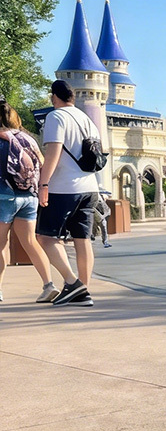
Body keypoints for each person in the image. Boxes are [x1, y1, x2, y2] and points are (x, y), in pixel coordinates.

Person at [35, 80, 101, 307]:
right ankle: (85, 291)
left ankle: (73, 284)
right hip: (90, 186)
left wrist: (43, 184)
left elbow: (53, 152)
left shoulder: (55, 117)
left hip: (64, 187)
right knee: (82, 239)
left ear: (55, 97)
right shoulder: (87, 119)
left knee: (45, 237)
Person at [0, 95, 58, 303]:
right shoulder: (28, 139)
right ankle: (48, 284)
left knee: (0, 244)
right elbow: (41, 164)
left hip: (4, 195)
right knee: (30, 241)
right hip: (29, 197)